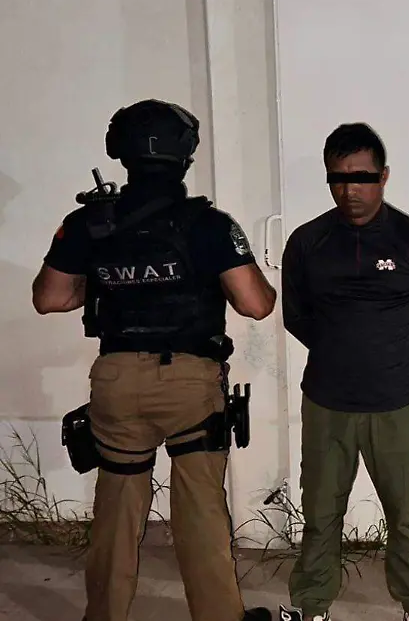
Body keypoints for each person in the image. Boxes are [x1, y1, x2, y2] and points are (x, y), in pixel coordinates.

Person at [31, 99, 277, 621]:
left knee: (115, 512)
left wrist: (109, 283)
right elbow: (256, 304)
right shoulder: (209, 224)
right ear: (185, 155)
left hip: (117, 380)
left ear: (119, 153)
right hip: (189, 383)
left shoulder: (88, 222)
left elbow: (49, 298)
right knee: (201, 514)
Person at [279, 122, 409, 621]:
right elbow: (295, 316)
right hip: (327, 402)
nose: (350, 191)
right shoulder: (307, 242)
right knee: (320, 513)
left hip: (396, 403)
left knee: (406, 514)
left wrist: (398, 357)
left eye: (361, 178)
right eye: (338, 179)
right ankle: (312, 605)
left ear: (383, 176)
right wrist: (339, 353)